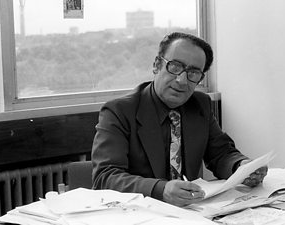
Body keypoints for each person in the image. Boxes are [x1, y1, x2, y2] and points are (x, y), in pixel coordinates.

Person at [91, 32, 268, 207]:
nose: (182, 80)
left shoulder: (200, 104)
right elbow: (105, 176)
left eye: (193, 73)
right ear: (156, 65)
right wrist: (161, 189)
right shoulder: (119, 111)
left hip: (191, 212)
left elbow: (220, 153)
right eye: (175, 67)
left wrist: (241, 167)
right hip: (140, 213)